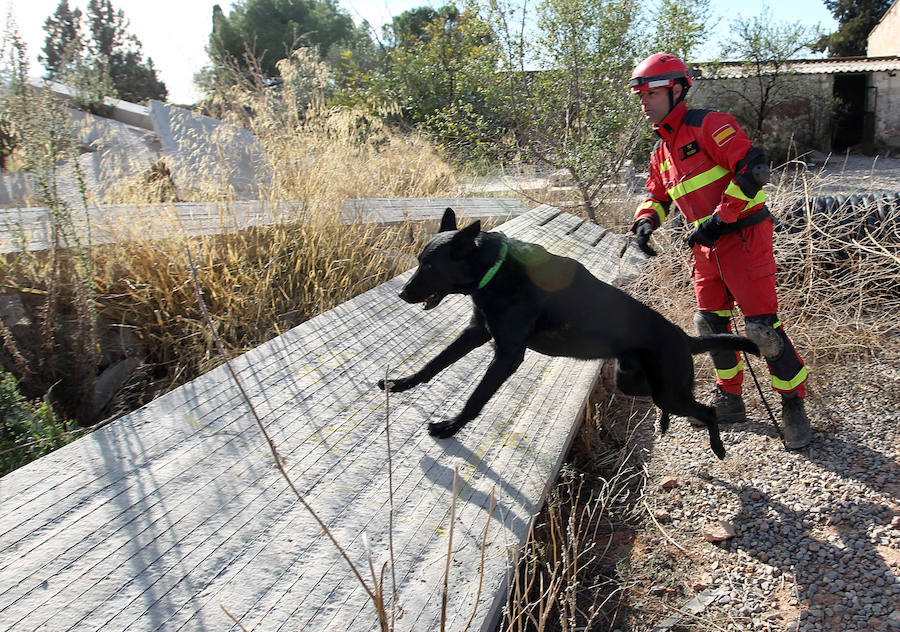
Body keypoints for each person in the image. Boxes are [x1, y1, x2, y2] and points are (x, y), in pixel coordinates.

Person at [627, 53, 811, 449]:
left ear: (677, 89)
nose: (644, 101)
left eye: (652, 93)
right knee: (710, 327)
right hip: (705, 248)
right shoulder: (662, 151)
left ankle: (793, 404)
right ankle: (730, 398)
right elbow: (656, 195)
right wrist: (645, 221)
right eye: (640, 95)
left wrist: (721, 218)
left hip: (743, 237)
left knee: (761, 328)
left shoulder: (708, 124)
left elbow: (754, 169)